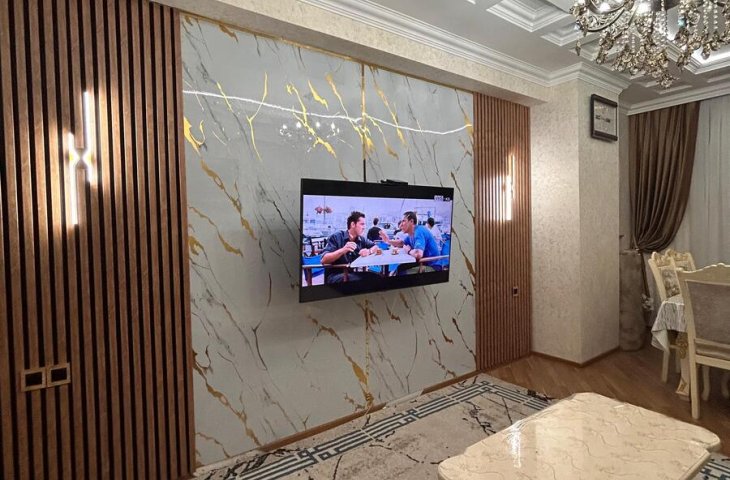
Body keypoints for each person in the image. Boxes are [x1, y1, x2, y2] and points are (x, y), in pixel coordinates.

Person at [320, 211, 381, 284]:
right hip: (334, 276)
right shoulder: (337, 237)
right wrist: (343, 250)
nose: (364, 227)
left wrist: (369, 251)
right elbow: (324, 260)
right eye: (362, 224)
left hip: (350, 274)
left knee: (377, 277)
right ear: (353, 224)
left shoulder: (361, 239)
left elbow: (376, 247)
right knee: (366, 281)